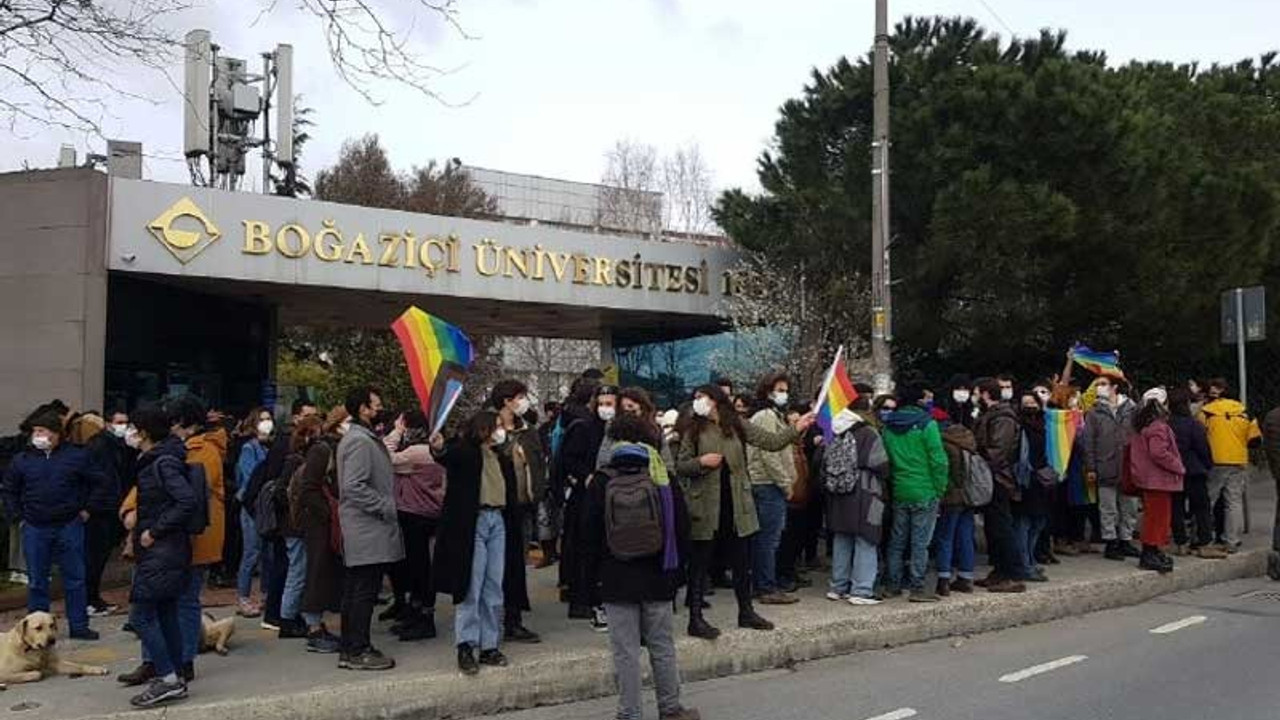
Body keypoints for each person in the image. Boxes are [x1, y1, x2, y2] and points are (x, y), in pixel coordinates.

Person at [584, 413, 700, 720]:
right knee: (662, 646)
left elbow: (588, 535)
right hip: (658, 575)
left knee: (625, 653)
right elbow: (681, 529)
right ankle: (671, 709)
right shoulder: (662, 477)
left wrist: (592, 581)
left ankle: (629, 713)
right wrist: (678, 572)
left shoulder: (601, 480)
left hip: (615, 576)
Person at [676, 385, 815, 639]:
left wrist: (797, 427)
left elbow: (770, 442)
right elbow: (680, 465)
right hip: (705, 504)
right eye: (695, 398)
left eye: (701, 397)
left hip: (737, 503)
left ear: (715, 401)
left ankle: (746, 612)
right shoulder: (693, 429)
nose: (697, 402)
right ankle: (695, 619)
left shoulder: (737, 424)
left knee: (741, 561)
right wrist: (700, 463)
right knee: (700, 562)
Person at [1, 406, 106, 640]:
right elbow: (10, 490)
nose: (38, 435)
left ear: (57, 433)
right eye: (35, 431)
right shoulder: (22, 460)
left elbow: (100, 483)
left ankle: (79, 625)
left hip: (69, 524)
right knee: (38, 580)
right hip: (35, 526)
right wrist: (17, 516)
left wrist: (88, 509)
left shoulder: (77, 456)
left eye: (43, 430)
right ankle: (37, 628)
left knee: (75, 578)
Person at [123, 403, 197, 708]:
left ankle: (167, 678)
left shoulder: (162, 462)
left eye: (132, 428)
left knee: (141, 615)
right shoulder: (160, 458)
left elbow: (186, 501)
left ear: (143, 432)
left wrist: (154, 531)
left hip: (161, 551)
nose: (128, 433)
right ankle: (176, 674)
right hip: (168, 551)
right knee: (166, 611)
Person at [433, 411, 517, 675]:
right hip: (473, 522)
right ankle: (466, 644)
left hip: (497, 520)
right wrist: (437, 447)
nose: (502, 431)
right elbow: (447, 456)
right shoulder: (466, 452)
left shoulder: (500, 456)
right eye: (498, 426)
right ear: (485, 428)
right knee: (471, 584)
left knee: (493, 585)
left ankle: (490, 644)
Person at [335, 385, 403, 671]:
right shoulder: (360, 442)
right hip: (367, 528)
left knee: (356, 590)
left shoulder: (363, 438)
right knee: (363, 592)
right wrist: (386, 506)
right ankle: (357, 648)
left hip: (366, 528)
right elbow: (353, 486)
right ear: (363, 408)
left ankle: (351, 645)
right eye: (376, 404)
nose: (380, 408)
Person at [380, 410, 446, 642]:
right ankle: (416, 613)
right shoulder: (435, 448)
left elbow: (385, 457)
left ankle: (423, 618)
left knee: (419, 569)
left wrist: (395, 432)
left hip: (415, 514)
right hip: (430, 513)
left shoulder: (417, 452)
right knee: (420, 568)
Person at [880, 384, 948, 602]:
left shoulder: (887, 427)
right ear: (919, 401)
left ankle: (893, 585)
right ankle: (917, 587)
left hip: (900, 489)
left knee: (897, 541)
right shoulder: (928, 425)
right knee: (920, 542)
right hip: (925, 490)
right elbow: (938, 461)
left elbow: (886, 459)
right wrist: (939, 489)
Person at [489, 379, 542, 644]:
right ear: (507, 400)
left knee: (516, 566)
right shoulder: (488, 430)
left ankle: (513, 619)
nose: (524, 402)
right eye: (520, 397)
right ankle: (489, 622)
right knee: (492, 568)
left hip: (522, 507)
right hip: (496, 508)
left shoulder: (528, 431)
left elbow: (539, 463)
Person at [561, 384, 617, 629]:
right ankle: (582, 599)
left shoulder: (619, 430)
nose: (606, 408)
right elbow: (568, 459)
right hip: (587, 496)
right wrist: (587, 476)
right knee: (585, 548)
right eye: (602, 403)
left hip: (614, 496)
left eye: (610, 403)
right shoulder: (584, 428)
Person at [290, 409, 345, 653]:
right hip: (318, 522)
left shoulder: (331, 448)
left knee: (322, 571)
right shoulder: (322, 450)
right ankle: (313, 628)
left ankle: (316, 624)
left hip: (323, 520)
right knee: (317, 572)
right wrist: (327, 513)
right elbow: (309, 487)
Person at [822, 404, 888, 605]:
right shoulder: (868, 433)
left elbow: (823, 462)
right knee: (866, 539)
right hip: (866, 493)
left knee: (842, 539)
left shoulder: (834, 432)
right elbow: (880, 463)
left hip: (838, 492)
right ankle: (862, 590)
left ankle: (838, 587)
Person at [746, 372, 800, 605]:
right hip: (767, 484)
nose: (783, 394)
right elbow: (769, 453)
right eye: (779, 389)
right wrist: (785, 483)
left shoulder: (773, 415)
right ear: (767, 391)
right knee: (769, 540)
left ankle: (763, 583)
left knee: (765, 539)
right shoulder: (766, 416)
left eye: (785, 390)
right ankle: (766, 587)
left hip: (767, 484)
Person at [66, 412, 124, 617]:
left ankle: (89, 599)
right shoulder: (102, 447)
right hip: (100, 511)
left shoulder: (87, 449)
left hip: (97, 510)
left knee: (92, 558)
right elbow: (104, 481)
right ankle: (90, 600)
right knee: (94, 558)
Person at [972, 377, 1026, 593]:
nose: (975, 397)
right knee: (993, 528)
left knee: (1002, 526)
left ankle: (1012, 573)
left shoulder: (1003, 418)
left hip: (998, 479)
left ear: (986, 394)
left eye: (977, 393)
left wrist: (980, 462)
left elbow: (998, 451)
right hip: (990, 477)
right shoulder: (989, 416)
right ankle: (999, 571)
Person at [1198, 378, 1261, 553]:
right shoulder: (1244, 411)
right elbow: (1255, 441)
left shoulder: (1206, 411)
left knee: (1208, 500)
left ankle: (1203, 537)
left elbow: (1199, 436)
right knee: (1233, 502)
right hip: (1238, 460)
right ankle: (1231, 540)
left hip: (1216, 460)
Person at [276, 416, 326, 640]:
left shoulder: (299, 458)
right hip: (295, 526)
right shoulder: (296, 461)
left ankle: (293, 616)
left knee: (300, 570)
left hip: (295, 524)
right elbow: (281, 492)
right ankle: (287, 619)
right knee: (298, 571)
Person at [1081, 375, 1140, 560]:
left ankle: (1126, 540)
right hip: (1104, 465)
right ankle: (1110, 541)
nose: (1100, 387)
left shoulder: (1131, 409)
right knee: (1107, 508)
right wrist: (1091, 467)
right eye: (1098, 384)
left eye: (1103, 384)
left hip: (1128, 466)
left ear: (1114, 387)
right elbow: (1087, 441)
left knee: (1129, 506)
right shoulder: (1094, 412)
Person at [1128, 388, 1184, 573]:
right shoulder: (1158, 426)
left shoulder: (1141, 425)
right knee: (1158, 517)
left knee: (1154, 516)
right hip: (1158, 479)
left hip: (1147, 478)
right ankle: (1150, 551)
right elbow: (1159, 452)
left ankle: (1152, 549)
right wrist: (1178, 466)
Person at [1167, 388, 1225, 559]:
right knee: (1201, 508)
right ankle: (1204, 543)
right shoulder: (1193, 424)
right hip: (1195, 471)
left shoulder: (1167, 424)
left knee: (1176, 508)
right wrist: (1207, 465)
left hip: (1173, 472)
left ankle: (1181, 543)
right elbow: (1203, 448)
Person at [233, 407, 273, 618]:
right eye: (263, 419)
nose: (267, 423)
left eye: (269, 419)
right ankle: (243, 597)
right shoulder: (250, 448)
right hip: (251, 506)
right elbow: (249, 480)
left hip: (266, 505)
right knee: (251, 552)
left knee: (267, 553)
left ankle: (265, 593)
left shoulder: (268, 447)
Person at [1013, 391, 1053, 583]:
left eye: (1032, 402)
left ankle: (1030, 559)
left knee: (1037, 523)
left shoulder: (1043, 425)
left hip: (1041, 480)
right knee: (1024, 524)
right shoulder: (1019, 426)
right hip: (1025, 479)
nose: (1030, 406)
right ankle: (1024, 564)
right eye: (1025, 403)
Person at [937, 410, 978, 596]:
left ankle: (943, 580)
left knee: (945, 537)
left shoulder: (945, 444)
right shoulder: (969, 441)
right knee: (966, 536)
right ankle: (966, 578)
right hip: (969, 496)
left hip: (951, 497)